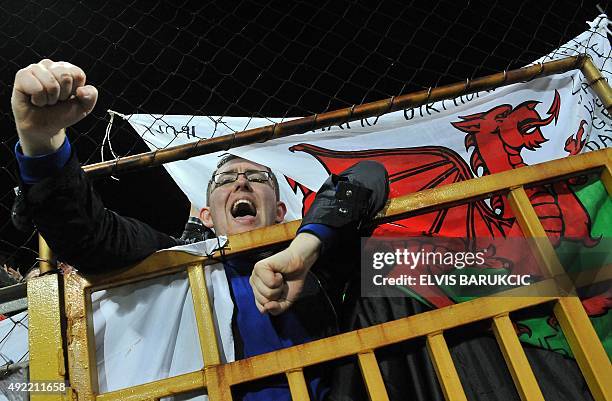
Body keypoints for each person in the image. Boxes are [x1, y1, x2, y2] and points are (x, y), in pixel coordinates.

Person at [11, 59, 389, 400]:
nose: (241, 183)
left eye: (256, 176)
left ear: (279, 211)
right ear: (206, 215)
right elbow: (86, 233)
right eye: (226, 178)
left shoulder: (316, 267)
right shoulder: (168, 262)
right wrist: (42, 142)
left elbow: (367, 176)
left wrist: (302, 250)